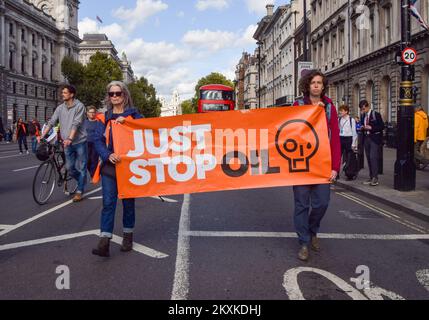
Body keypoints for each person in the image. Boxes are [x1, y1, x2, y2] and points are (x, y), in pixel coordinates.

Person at [292, 70, 341, 262]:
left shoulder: (330, 107)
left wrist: (335, 167)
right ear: (307, 85)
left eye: (319, 83)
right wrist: (312, 113)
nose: (316, 86)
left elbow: (335, 138)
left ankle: (313, 231)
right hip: (301, 164)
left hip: (322, 164)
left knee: (322, 203)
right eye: (313, 82)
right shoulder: (298, 105)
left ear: (323, 86)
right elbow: (292, 132)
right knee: (301, 205)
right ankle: (304, 242)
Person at [92, 81, 144, 257]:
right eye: (111, 94)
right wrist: (107, 155)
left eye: (118, 93)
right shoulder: (103, 117)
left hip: (130, 167)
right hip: (110, 166)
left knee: (128, 203)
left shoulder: (135, 115)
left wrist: (130, 124)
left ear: (125, 95)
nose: (114, 96)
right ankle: (104, 242)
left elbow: (148, 131)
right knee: (108, 203)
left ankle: (127, 236)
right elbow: (97, 140)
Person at [39, 85, 87, 202]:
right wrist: (42, 135)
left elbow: (76, 123)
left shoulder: (79, 106)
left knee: (81, 167)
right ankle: (82, 179)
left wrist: (70, 138)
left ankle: (79, 191)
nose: (62, 94)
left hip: (79, 141)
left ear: (72, 94)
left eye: (65, 93)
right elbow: (51, 122)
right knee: (70, 168)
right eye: (63, 93)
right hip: (67, 143)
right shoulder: (60, 108)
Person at [359, 100, 384, 186]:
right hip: (366, 138)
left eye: (363, 108)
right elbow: (363, 125)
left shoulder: (375, 114)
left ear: (367, 106)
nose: (362, 110)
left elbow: (382, 126)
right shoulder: (363, 116)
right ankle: (371, 176)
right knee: (369, 158)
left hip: (374, 139)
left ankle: (375, 178)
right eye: (361, 109)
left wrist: (371, 127)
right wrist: (362, 127)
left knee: (373, 158)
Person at [338, 105, 358, 180]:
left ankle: (349, 174)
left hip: (349, 139)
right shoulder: (339, 119)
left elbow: (354, 133)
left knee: (350, 157)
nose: (340, 112)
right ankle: (336, 173)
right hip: (341, 138)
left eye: (342, 110)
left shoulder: (351, 120)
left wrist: (353, 144)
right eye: (340, 110)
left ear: (346, 111)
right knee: (338, 157)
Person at [83, 106, 99, 178]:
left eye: (93, 112)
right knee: (87, 161)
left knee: (94, 160)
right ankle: (91, 173)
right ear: (87, 113)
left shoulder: (98, 123)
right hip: (86, 143)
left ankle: (93, 176)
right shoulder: (84, 122)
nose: (92, 114)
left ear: (95, 113)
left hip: (95, 144)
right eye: (90, 112)